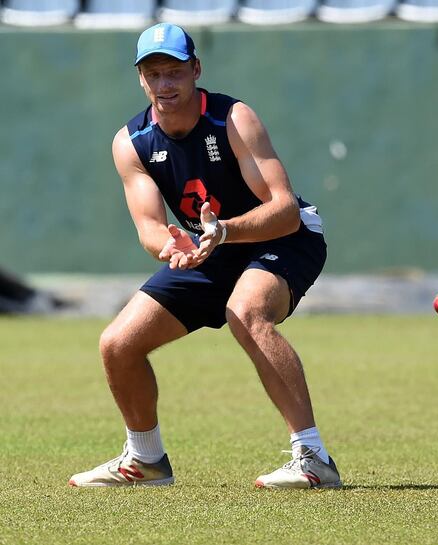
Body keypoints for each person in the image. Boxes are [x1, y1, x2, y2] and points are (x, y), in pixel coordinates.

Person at [69, 23, 341, 489]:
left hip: (282, 238)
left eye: (174, 71)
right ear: (140, 79)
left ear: (196, 69)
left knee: (245, 311)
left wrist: (225, 232)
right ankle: (146, 460)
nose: (164, 84)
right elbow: (150, 227)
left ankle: (313, 458)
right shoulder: (131, 143)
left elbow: (284, 211)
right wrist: (169, 246)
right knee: (118, 344)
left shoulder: (233, 119)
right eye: (153, 74)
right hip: (207, 247)